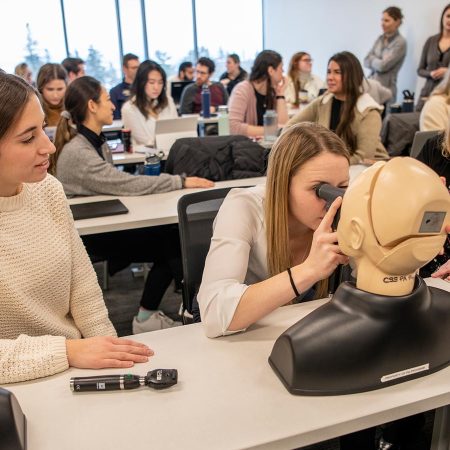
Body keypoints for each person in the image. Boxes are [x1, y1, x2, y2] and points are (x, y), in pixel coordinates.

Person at [0, 70, 153, 384]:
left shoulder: (48, 190)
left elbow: (83, 291)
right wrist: (68, 351)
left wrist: (115, 358)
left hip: (75, 368)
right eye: (29, 138)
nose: (49, 147)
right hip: (19, 387)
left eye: (43, 129)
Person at [51, 75, 213, 333]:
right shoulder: (78, 152)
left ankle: (161, 312)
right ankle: (170, 313)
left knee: (171, 240)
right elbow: (125, 184)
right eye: (106, 100)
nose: (113, 106)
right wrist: (179, 182)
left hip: (100, 224)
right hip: (92, 235)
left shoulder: (93, 142)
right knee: (172, 244)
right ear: (92, 106)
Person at [287, 51, 389, 164]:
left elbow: (363, 158)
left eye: (337, 72)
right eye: (329, 72)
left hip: (366, 171)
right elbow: (290, 127)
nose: (330, 77)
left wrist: (327, 166)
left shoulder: (368, 110)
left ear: (352, 76)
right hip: (333, 168)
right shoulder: (323, 102)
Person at [228, 49, 288, 137]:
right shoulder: (242, 90)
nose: (283, 73)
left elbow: (283, 127)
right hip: (246, 147)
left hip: (267, 145)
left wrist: (280, 95)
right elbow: (233, 127)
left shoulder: (272, 92)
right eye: (281, 69)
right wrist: (271, 130)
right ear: (271, 70)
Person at [122, 60, 178, 147]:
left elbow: (178, 130)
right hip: (145, 157)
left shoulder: (168, 101)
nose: (156, 87)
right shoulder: (129, 109)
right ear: (141, 83)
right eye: (151, 82)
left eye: (160, 82)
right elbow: (145, 141)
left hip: (171, 153)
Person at [364, 6, 406, 104]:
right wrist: (376, 61)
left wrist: (372, 59)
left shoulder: (400, 43)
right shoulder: (380, 39)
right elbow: (365, 60)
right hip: (371, 87)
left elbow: (383, 66)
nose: (382, 23)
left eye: (387, 20)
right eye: (382, 20)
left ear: (397, 22)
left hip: (386, 91)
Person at [416, 4, 450, 111]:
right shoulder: (430, 41)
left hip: (445, 98)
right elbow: (420, 70)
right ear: (443, 17)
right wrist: (430, 73)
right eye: (448, 16)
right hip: (426, 94)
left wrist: (447, 72)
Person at [110, 53, 140, 120]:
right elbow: (115, 119)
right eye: (134, 68)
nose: (137, 71)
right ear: (124, 69)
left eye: (138, 67)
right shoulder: (115, 92)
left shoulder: (146, 89)